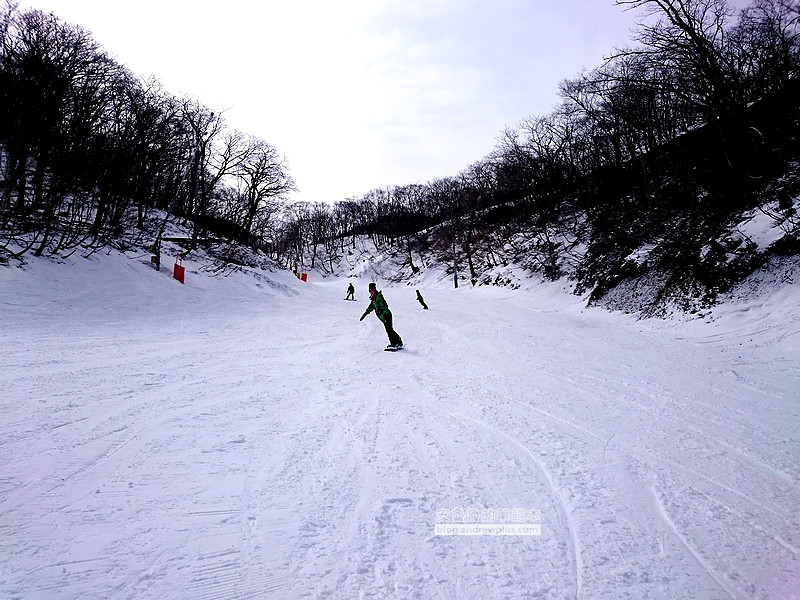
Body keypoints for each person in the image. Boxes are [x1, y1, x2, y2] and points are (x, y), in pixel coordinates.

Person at [360, 282, 403, 349]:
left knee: (389, 330)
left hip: (386, 315)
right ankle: (398, 342)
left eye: (372, 290)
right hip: (383, 317)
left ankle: (394, 343)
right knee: (389, 329)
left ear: (375, 289)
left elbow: (384, 305)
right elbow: (371, 307)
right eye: (370, 290)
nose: (371, 291)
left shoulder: (379, 296)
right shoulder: (373, 299)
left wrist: (381, 309)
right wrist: (365, 314)